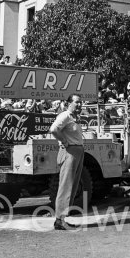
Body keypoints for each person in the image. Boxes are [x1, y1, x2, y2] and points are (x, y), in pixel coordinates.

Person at [49, 94, 85, 231]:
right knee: (66, 185)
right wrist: (64, 141)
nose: (80, 105)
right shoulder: (65, 116)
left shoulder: (74, 118)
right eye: (77, 102)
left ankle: (63, 218)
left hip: (76, 153)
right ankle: (59, 219)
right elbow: (53, 129)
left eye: (81, 102)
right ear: (69, 103)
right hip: (69, 153)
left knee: (73, 186)